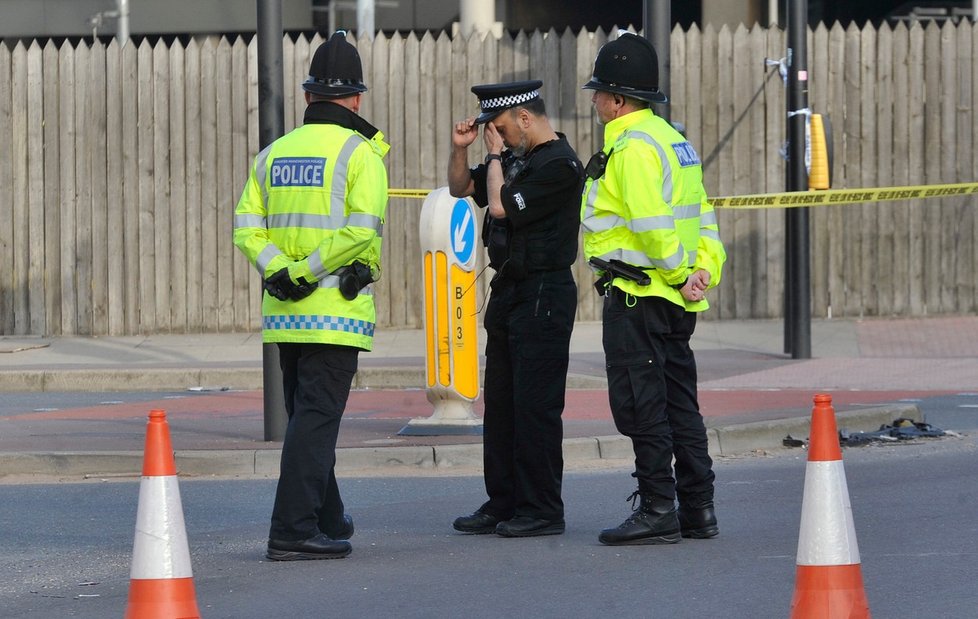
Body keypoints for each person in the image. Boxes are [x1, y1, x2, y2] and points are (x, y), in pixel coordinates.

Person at [233, 31, 389, 561]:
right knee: (316, 420)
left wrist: (281, 271)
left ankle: (327, 516)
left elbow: (245, 226)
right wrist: (309, 271)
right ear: (357, 99)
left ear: (307, 96)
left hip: (283, 313)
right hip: (333, 313)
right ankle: (292, 531)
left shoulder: (272, 154)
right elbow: (362, 232)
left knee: (307, 418)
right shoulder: (361, 153)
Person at [579, 32, 727, 546]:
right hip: (673, 299)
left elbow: (651, 224)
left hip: (639, 294)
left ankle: (659, 507)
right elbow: (703, 217)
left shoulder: (634, 146)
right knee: (680, 402)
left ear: (618, 99)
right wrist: (703, 271)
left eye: (599, 92)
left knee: (644, 405)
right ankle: (699, 509)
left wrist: (679, 273)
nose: (594, 101)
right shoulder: (673, 140)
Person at [447, 80, 584, 537]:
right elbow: (458, 188)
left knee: (535, 407)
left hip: (544, 293)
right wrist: (461, 149)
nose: (500, 139)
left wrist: (492, 159)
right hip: (510, 292)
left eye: (502, 130)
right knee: (502, 406)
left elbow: (502, 207)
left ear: (525, 118)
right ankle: (502, 501)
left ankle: (542, 508)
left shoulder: (560, 164)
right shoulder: (512, 159)